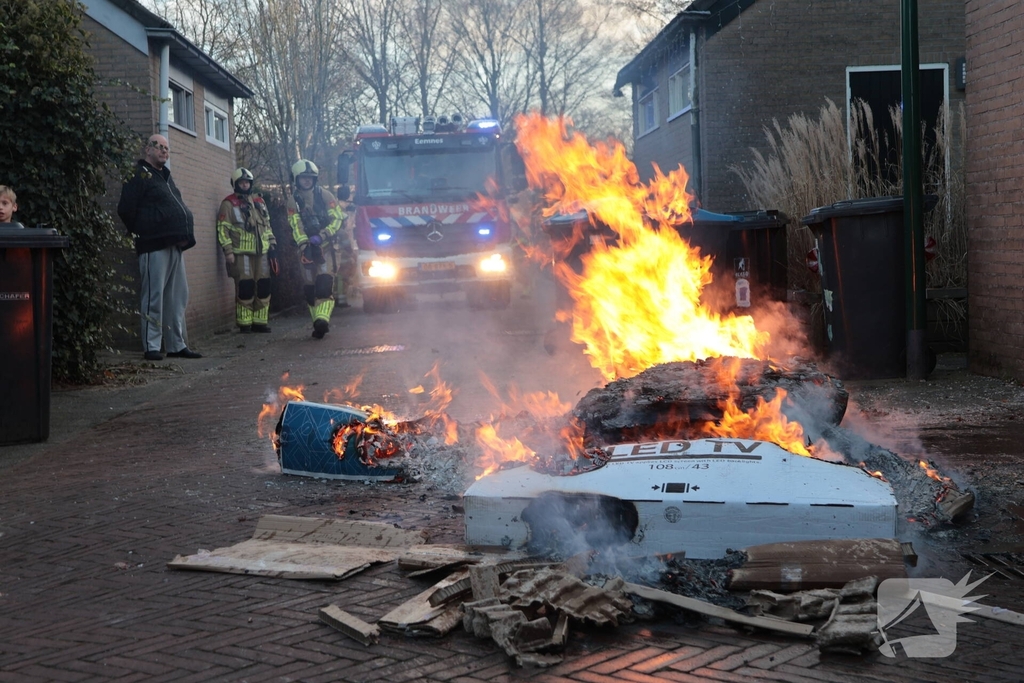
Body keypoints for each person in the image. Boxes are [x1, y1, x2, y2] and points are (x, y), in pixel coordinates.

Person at [117, 134, 201, 361]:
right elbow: (126, 209)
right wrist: (145, 231)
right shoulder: (139, 175)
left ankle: (176, 344)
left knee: (177, 298)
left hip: (174, 245)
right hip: (154, 244)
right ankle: (151, 346)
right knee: (154, 297)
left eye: (167, 147)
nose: (164, 151)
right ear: (148, 150)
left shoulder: (164, 177)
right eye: (159, 147)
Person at [287, 159, 345, 338]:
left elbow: (337, 218)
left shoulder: (326, 196)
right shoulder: (292, 201)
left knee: (324, 285)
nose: (307, 181)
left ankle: (323, 320)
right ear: (296, 179)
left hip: (326, 248)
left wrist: (324, 234)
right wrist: (304, 243)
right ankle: (317, 323)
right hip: (306, 250)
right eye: (303, 178)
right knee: (310, 290)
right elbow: (295, 225)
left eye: (310, 178)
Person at [217, 168, 279, 333]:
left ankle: (260, 322)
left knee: (264, 285)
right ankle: (244, 324)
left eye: (247, 182)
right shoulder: (228, 204)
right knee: (245, 287)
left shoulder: (259, 201)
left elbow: (267, 225)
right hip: (241, 253)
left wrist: (272, 245)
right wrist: (228, 251)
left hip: (262, 253)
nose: (245, 185)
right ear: (236, 184)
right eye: (241, 182)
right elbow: (223, 229)